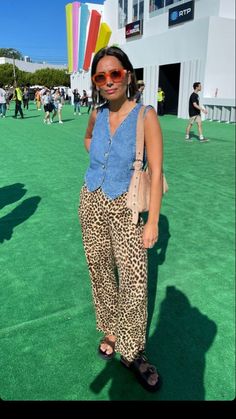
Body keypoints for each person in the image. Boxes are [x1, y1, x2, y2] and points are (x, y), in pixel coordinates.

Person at [78, 46, 163, 392]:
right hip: (90, 198)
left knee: (133, 278)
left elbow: (156, 173)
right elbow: (88, 139)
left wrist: (153, 221)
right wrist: (102, 159)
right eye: (101, 76)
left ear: (128, 75)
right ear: (96, 82)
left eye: (115, 74)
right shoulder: (97, 114)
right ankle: (111, 329)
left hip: (126, 205)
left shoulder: (146, 116)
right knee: (99, 268)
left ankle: (132, 350)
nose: (108, 81)